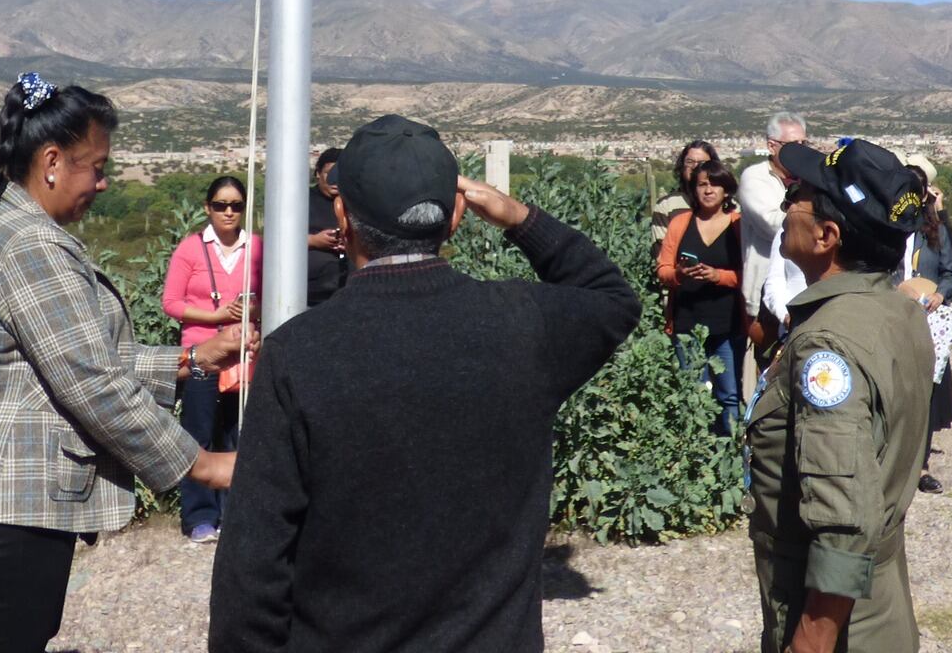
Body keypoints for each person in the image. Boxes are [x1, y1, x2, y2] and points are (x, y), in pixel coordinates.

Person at [208, 114, 639, 653]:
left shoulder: (298, 353)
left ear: (341, 215)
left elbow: (254, 562)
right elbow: (611, 297)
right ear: (458, 213)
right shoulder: (524, 325)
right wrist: (519, 218)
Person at [0, 73, 249, 653]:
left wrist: (190, 360)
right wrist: (206, 466)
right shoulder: (32, 247)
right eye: (96, 166)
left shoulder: (18, 229)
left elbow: (78, 358)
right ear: (51, 161)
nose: (104, 181)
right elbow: (93, 385)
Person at [746, 137, 933, 653]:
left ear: (828, 235)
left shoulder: (828, 345)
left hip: (839, 623)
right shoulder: (896, 310)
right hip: (879, 599)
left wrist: (811, 639)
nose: (785, 205)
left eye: (797, 196)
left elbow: (841, 517)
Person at [162, 174, 265, 544]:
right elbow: (172, 303)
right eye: (220, 205)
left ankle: (235, 513)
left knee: (239, 435)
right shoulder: (191, 249)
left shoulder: (257, 247)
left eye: (236, 205)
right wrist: (219, 318)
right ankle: (200, 516)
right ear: (208, 208)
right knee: (200, 434)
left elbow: (270, 297)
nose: (228, 212)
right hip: (202, 356)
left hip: (244, 356)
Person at [657, 159, 746, 432]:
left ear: (727, 190)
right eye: (702, 184)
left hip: (727, 325)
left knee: (729, 394)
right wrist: (681, 274)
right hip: (687, 323)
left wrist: (718, 276)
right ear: (693, 190)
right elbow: (663, 269)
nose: (708, 190)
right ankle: (696, 455)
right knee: (692, 394)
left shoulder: (739, 225)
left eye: (715, 184)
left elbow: (751, 274)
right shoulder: (680, 223)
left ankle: (730, 454)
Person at [895, 155, 952, 495]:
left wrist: (940, 295)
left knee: (925, 391)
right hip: (889, 314)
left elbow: (950, 274)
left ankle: (920, 465)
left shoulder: (935, 231)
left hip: (925, 320)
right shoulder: (883, 227)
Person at [740, 112, 810, 349]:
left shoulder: (807, 178)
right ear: (772, 146)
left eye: (804, 144)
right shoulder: (754, 178)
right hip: (765, 292)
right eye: (793, 146)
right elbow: (772, 223)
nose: (801, 151)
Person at [303, 146, 350, 305]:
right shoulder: (302, 200)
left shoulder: (355, 203)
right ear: (318, 173)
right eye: (329, 174)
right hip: (311, 290)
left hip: (347, 288)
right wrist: (314, 240)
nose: (334, 180)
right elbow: (280, 240)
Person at [652, 139, 720, 244]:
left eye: (702, 163)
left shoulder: (729, 206)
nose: (695, 167)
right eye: (690, 162)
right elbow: (661, 253)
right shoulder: (667, 206)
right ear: (682, 167)